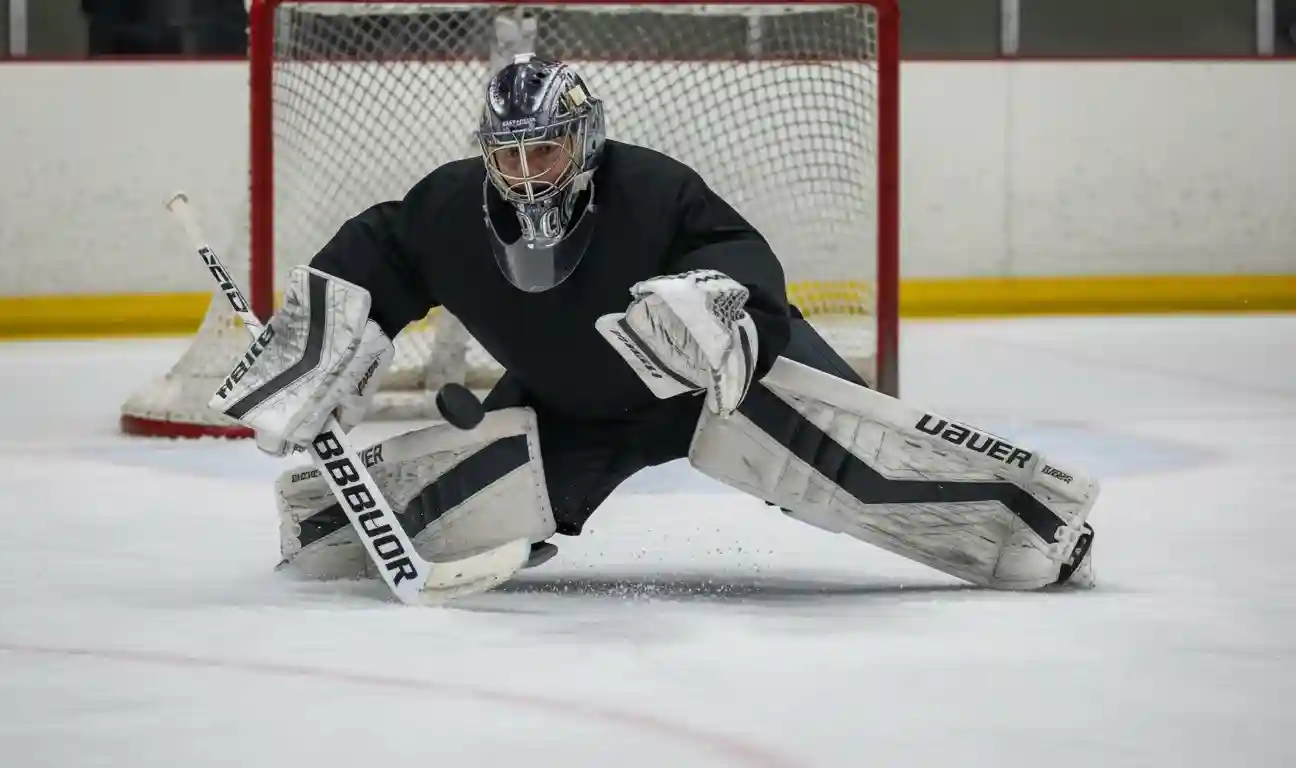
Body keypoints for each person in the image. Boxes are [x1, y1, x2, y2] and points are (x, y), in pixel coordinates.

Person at [212, 55, 1098, 594]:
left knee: (862, 468)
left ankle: (1040, 531)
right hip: (567, 407)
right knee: (367, 533)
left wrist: (724, 315)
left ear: (585, 138)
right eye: (507, 154)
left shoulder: (653, 189)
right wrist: (320, 340)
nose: (525, 174)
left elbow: (745, 258)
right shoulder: (448, 209)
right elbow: (379, 256)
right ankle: (319, 527)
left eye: (545, 149)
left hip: (713, 390)